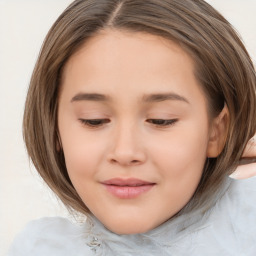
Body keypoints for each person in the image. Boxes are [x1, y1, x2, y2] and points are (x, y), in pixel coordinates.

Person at [8, 0, 256, 255]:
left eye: (162, 120)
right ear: (54, 128)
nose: (125, 152)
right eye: (93, 120)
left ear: (217, 131)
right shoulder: (38, 248)